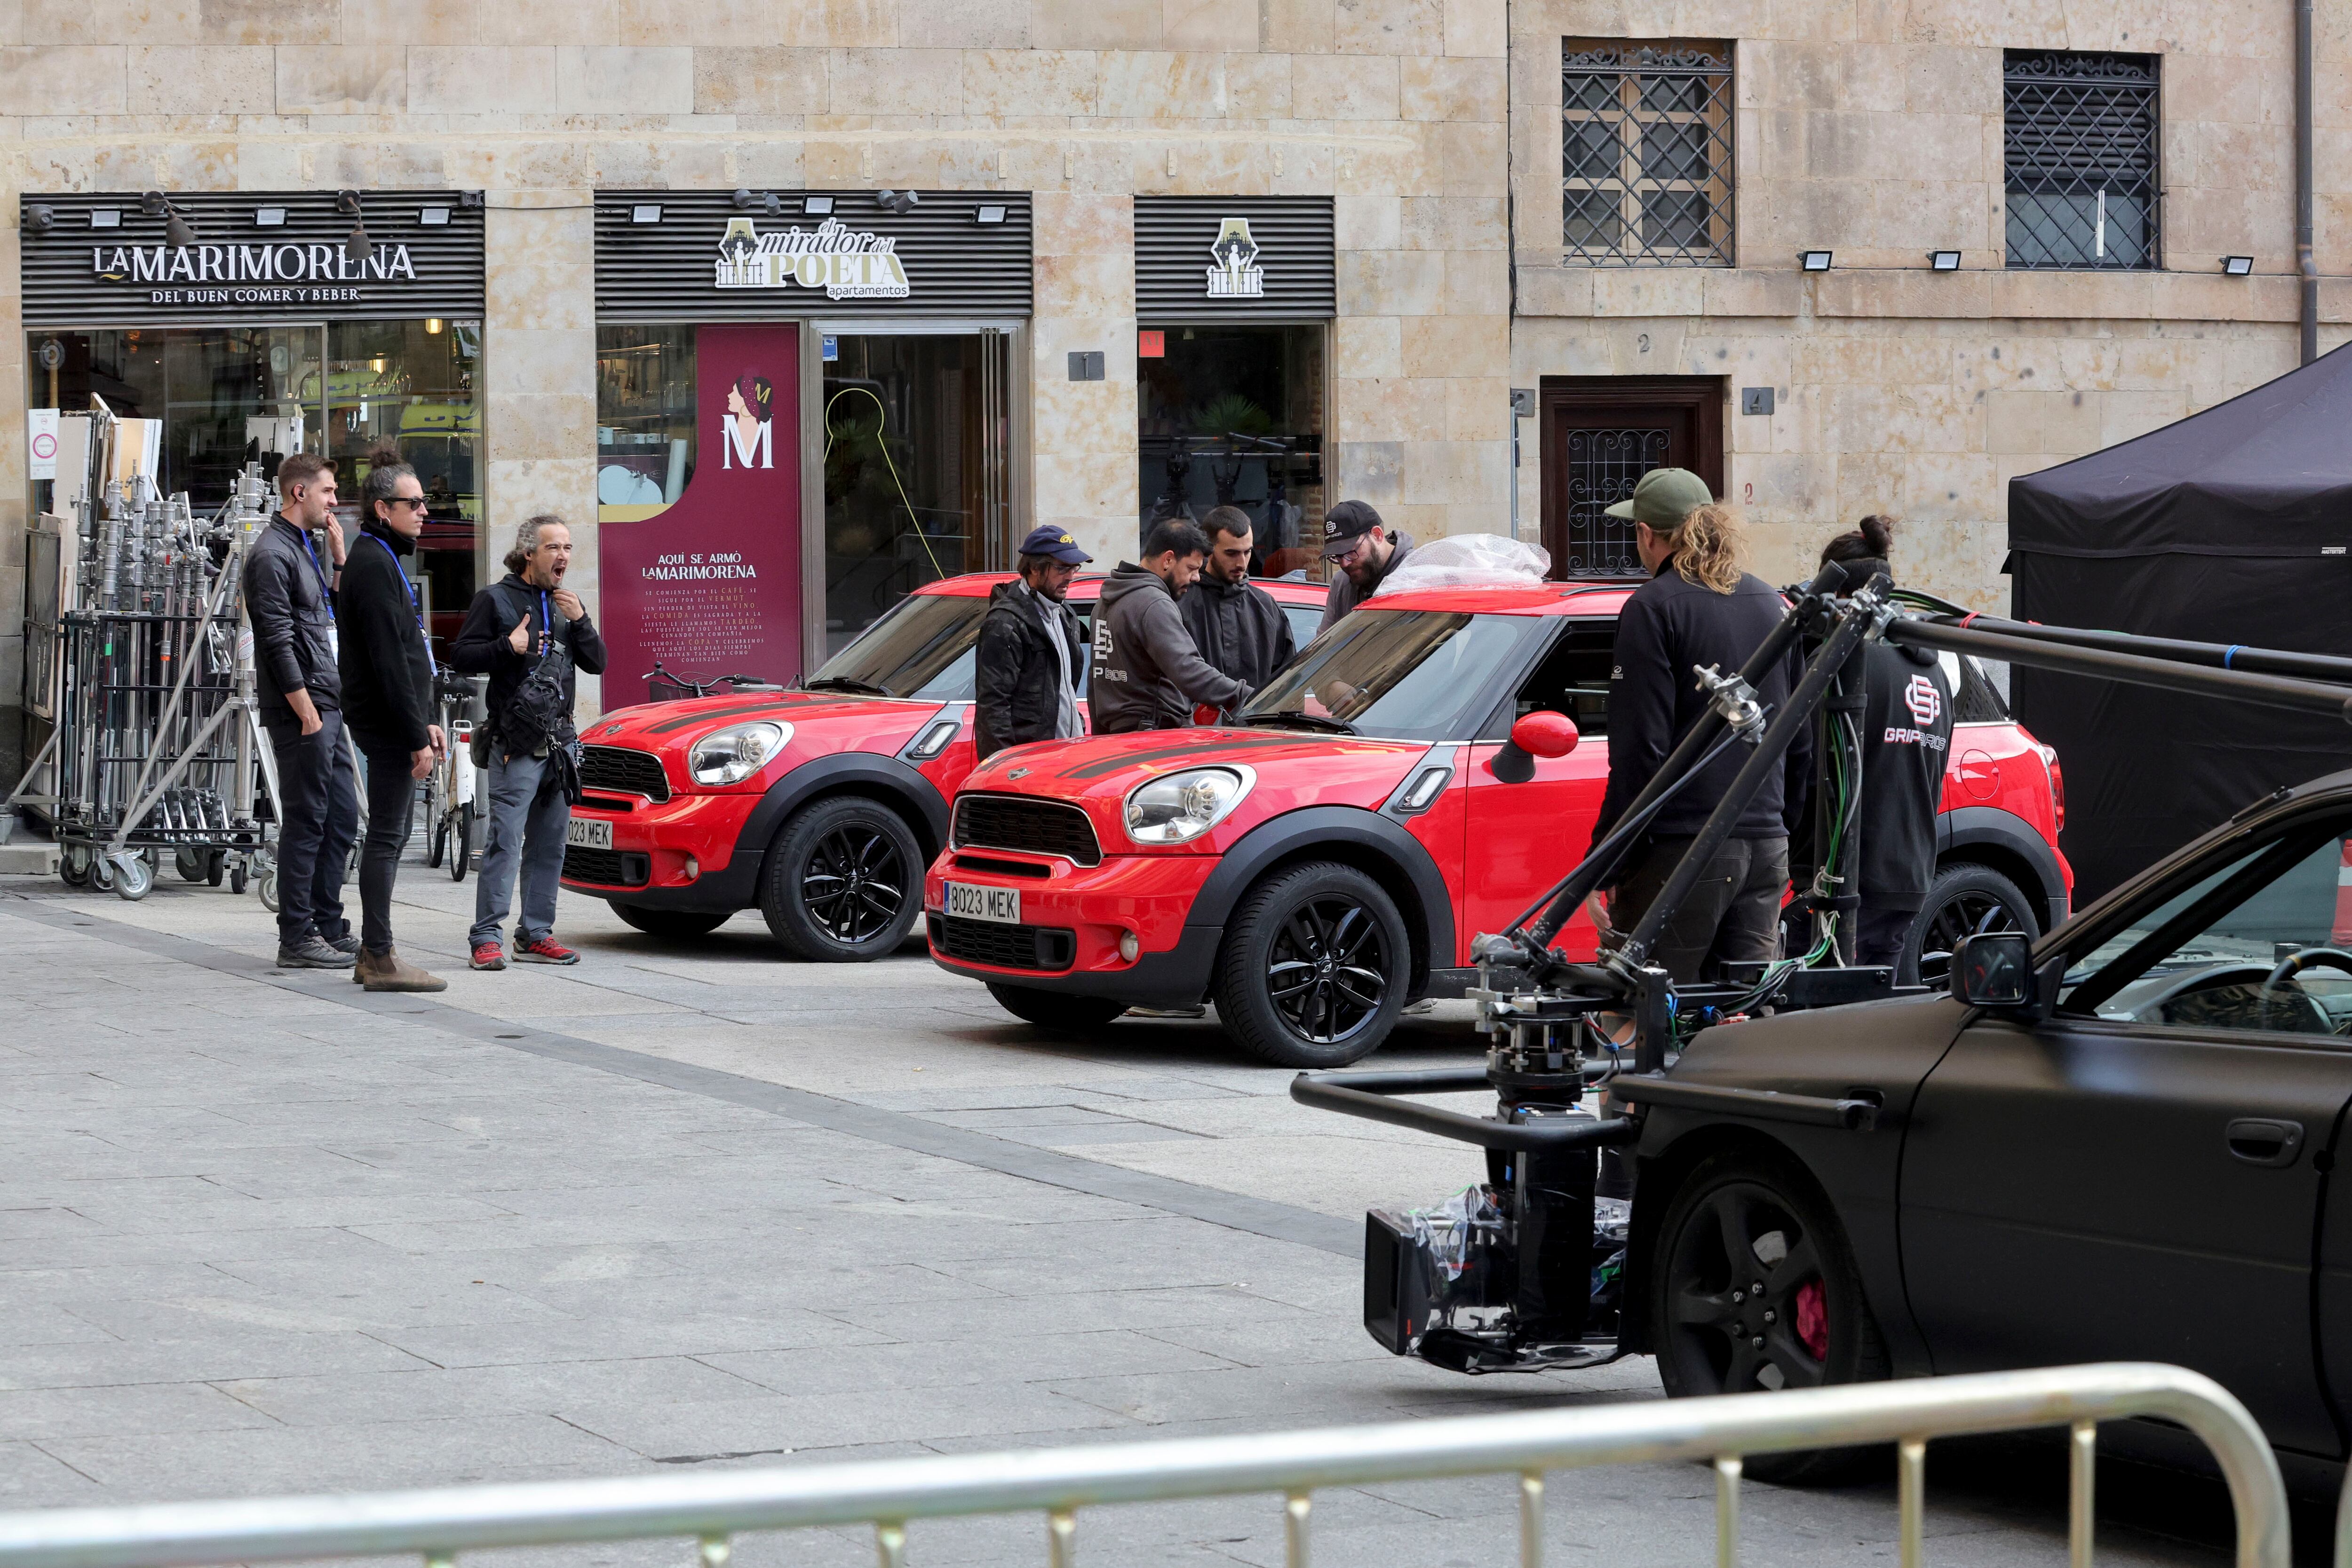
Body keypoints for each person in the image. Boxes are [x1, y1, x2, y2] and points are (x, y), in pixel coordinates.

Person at [1584, 469, 1812, 984]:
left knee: (1645, 1008)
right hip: (1764, 842)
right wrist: (1782, 827)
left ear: (1647, 534)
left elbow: (1640, 751)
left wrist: (1610, 863)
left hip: (1682, 846)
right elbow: (1799, 736)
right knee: (1742, 1011)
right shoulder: (1771, 605)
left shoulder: (1651, 608)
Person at [451, 514, 609, 971]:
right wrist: (506, 646)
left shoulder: (568, 604)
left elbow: (597, 663)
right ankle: (485, 937)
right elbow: (461, 656)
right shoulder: (495, 599)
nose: (562, 556)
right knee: (505, 841)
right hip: (514, 745)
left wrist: (580, 621)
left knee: (550, 845)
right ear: (528, 553)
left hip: (561, 746)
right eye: (553, 547)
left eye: (567, 547)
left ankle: (535, 933)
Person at [1817, 515, 1952, 981]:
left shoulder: (1844, 660)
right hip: (1909, 870)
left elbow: (1810, 762)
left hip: (1849, 874)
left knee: (1822, 1016)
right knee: (1871, 1013)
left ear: (1836, 594)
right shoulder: (1934, 672)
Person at [242, 452, 359, 970]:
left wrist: (338, 559)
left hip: (325, 700)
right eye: (329, 491)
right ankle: (297, 935)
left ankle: (327, 923)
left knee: (340, 817)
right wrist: (304, 707)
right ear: (299, 493)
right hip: (303, 707)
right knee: (308, 819)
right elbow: (276, 638)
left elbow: (326, 620)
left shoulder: (304, 547)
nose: (335, 501)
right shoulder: (271, 554)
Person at [337, 462, 449, 992]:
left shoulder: (380, 558)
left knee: (393, 833)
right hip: (386, 725)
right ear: (384, 509)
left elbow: (407, 653)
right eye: (415, 503)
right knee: (386, 837)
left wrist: (425, 720)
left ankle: (371, 951)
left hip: (395, 721)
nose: (425, 512)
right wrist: (412, 736)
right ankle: (380, 955)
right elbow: (388, 662)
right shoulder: (374, 563)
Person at [1090, 518, 1253, 735]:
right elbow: (1189, 671)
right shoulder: (1154, 603)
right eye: (1192, 568)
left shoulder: (1106, 601)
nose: (1196, 578)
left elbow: (1097, 682)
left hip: (1117, 737)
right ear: (1168, 560)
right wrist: (1250, 696)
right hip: (1152, 736)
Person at [975, 525, 1091, 759]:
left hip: (1066, 754)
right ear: (1035, 569)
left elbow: (1064, 687)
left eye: (1074, 568)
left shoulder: (1064, 614)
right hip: (1030, 762)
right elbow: (993, 706)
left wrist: (1076, 724)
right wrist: (1003, 767)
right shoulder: (1005, 623)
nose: (1070, 576)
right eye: (1062, 568)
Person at [1181, 506, 1297, 694]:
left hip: (1254, 723)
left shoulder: (1267, 607)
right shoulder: (1181, 603)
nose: (1242, 563)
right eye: (1232, 553)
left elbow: (1287, 684)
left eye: (1247, 552)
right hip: (1194, 723)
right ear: (1208, 550)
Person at [1315, 499, 1415, 633]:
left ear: (1377, 535)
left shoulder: (1416, 576)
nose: (1344, 563)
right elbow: (1326, 644)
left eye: (1351, 552)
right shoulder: (1341, 582)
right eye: (1337, 556)